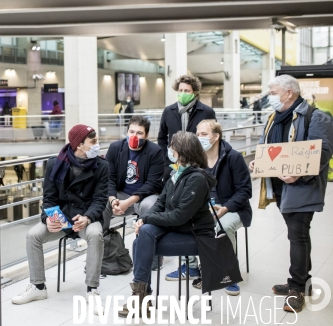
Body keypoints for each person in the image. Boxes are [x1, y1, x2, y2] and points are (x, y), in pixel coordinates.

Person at [249, 74, 333, 313]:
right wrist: (260, 162)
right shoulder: (274, 118)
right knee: (296, 234)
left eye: (273, 92)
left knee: (297, 235)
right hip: (279, 186)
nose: (270, 97)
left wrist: (299, 174)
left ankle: (297, 287)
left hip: (302, 188)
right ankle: (302, 281)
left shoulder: (316, 117)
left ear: (289, 93)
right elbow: (270, 148)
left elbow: (323, 152)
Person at [118, 131, 216, 318]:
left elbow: (179, 216)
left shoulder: (197, 179)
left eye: (172, 146)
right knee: (143, 235)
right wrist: (143, 219)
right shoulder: (175, 173)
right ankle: (142, 298)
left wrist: (146, 219)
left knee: (142, 240)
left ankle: (141, 299)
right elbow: (160, 204)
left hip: (196, 237)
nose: (169, 149)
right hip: (177, 229)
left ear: (182, 151)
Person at [11, 124, 108, 311]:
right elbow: (49, 198)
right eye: (93, 142)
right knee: (33, 235)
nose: (97, 145)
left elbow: (100, 200)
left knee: (96, 235)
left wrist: (87, 218)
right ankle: (38, 286)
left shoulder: (101, 166)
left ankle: (92, 289)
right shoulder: (55, 164)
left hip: (85, 218)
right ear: (79, 145)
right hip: (61, 218)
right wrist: (49, 218)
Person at [182, 120, 253, 296]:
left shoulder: (234, 157)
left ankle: (228, 274)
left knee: (223, 226)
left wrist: (226, 208)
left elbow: (245, 191)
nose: (199, 138)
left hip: (233, 208)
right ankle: (195, 268)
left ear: (216, 136)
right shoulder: (196, 160)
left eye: (204, 134)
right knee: (184, 219)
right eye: (197, 134)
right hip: (205, 208)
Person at [103, 115, 165, 269]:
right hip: (121, 194)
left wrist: (128, 202)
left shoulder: (155, 151)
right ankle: (104, 254)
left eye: (139, 133)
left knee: (149, 206)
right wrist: (112, 200)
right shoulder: (115, 148)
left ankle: (152, 256)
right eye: (131, 132)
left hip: (146, 196)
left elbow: (152, 183)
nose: (134, 136)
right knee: (101, 204)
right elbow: (109, 178)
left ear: (147, 135)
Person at [158, 74, 216, 183]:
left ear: (195, 93)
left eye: (186, 91)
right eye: (180, 90)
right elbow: (162, 137)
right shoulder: (168, 111)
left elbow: (213, 138)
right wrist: (166, 159)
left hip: (198, 164)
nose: (182, 93)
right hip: (173, 163)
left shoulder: (206, 112)